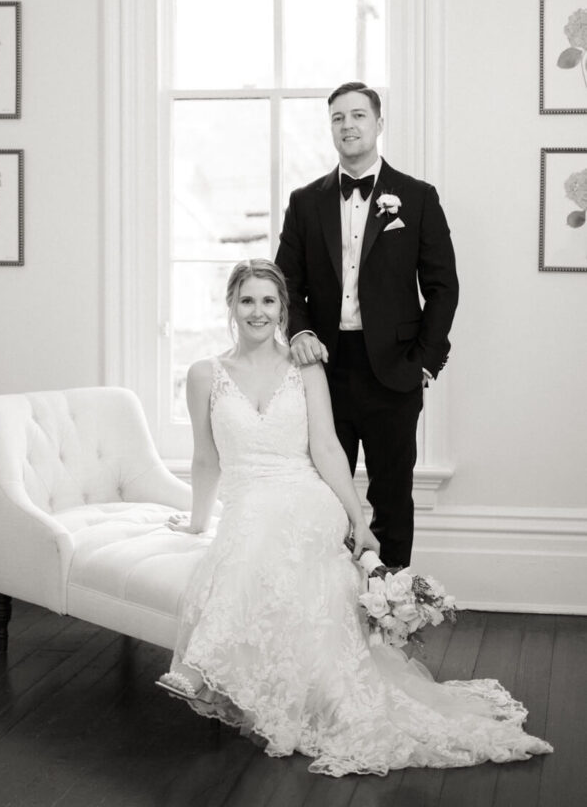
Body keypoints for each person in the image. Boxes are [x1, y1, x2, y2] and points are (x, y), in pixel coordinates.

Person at [156, 259, 551, 778]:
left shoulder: (304, 367)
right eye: (247, 300)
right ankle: (251, 675)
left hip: (307, 494)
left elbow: (326, 447)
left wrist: (357, 517)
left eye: (268, 301)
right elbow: (205, 457)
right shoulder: (205, 373)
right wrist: (195, 521)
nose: (257, 311)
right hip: (249, 498)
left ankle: (196, 666)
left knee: (274, 522)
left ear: (282, 309)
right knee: (255, 524)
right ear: (230, 305)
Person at [275, 82, 459, 569]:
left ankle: (392, 615)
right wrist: (299, 332)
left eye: (358, 115)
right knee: (324, 494)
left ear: (379, 123)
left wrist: (426, 362)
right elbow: (285, 282)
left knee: (392, 496)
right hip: (325, 371)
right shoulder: (304, 201)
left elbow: (443, 287)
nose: (348, 125)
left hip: (395, 370)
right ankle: (331, 611)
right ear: (330, 128)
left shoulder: (417, 198)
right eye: (338, 118)